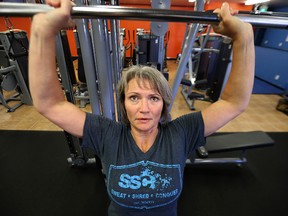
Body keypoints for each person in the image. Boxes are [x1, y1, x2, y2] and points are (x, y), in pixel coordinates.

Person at [28, 0, 255, 215]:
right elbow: (49, 103)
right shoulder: (107, 134)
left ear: (163, 105)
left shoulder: (182, 133)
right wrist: (43, 31)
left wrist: (243, 36)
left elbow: (234, 102)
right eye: (134, 98)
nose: (144, 108)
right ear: (123, 102)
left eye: (154, 99)